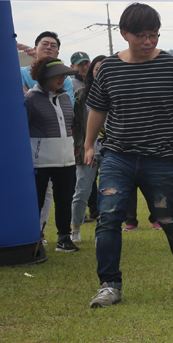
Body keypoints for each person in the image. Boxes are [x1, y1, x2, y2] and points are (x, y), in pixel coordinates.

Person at [83, 3, 173, 309]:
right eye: (141, 35)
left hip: (160, 156)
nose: (149, 41)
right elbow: (98, 109)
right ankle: (109, 285)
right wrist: (89, 145)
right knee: (109, 217)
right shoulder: (110, 69)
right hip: (118, 155)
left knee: (167, 217)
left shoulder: (171, 65)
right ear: (124, 33)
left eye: (154, 35)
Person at [25, 57, 81, 254]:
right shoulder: (30, 99)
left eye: (63, 75)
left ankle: (64, 239)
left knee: (65, 200)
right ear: (43, 77)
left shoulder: (65, 98)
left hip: (66, 161)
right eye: (57, 75)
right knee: (37, 202)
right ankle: (33, 239)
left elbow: (71, 126)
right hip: (39, 162)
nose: (61, 79)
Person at [71, 55, 107, 243]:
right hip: (88, 150)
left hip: (111, 151)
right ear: (91, 71)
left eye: (104, 68)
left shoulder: (116, 92)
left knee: (108, 193)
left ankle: (103, 230)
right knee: (82, 190)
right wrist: (81, 148)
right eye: (96, 68)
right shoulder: (82, 95)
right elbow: (75, 125)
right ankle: (75, 227)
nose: (100, 71)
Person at [22, 31, 75, 98]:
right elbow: (20, 98)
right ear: (35, 49)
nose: (49, 47)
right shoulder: (21, 73)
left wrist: (30, 94)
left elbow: (67, 104)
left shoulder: (65, 79)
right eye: (45, 44)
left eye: (53, 46)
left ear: (57, 53)